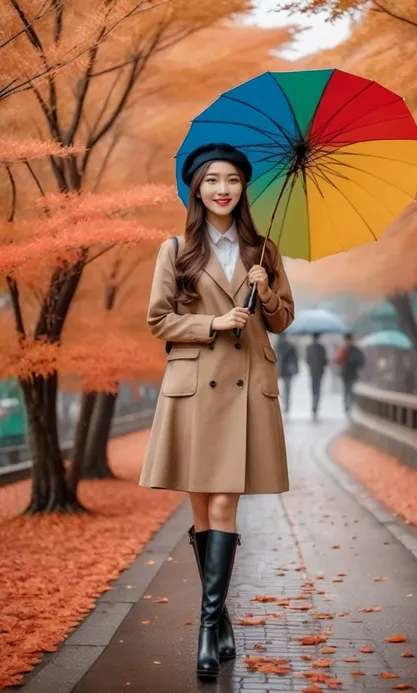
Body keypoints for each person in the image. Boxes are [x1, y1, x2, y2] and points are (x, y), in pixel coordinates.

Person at [138, 142, 295, 681]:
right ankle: (222, 618)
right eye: (212, 180)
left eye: (231, 179)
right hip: (194, 391)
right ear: (196, 188)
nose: (222, 189)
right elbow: (158, 319)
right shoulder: (175, 247)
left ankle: (206, 630)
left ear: (243, 187)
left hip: (245, 390)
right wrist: (212, 323)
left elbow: (281, 320)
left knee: (224, 503)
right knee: (202, 511)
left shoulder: (264, 250)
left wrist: (265, 291)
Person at [333, 333, 365, 413]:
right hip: (346, 374)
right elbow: (337, 360)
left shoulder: (355, 350)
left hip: (352, 374)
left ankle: (351, 406)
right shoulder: (343, 350)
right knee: (347, 390)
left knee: (351, 390)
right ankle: (347, 407)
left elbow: (361, 362)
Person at [305, 332, 327, 419]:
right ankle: (315, 406)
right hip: (319, 372)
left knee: (314, 389)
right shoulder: (322, 348)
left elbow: (307, 360)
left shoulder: (309, 348)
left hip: (312, 372)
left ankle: (314, 405)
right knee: (317, 389)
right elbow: (325, 361)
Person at [275, 333, 298, 413]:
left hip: (280, 370)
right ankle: (286, 405)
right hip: (287, 371)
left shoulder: (278, 346)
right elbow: (295, 360)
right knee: (287, 389)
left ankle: (284, 402)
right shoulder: (291, 346)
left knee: (280, 388)